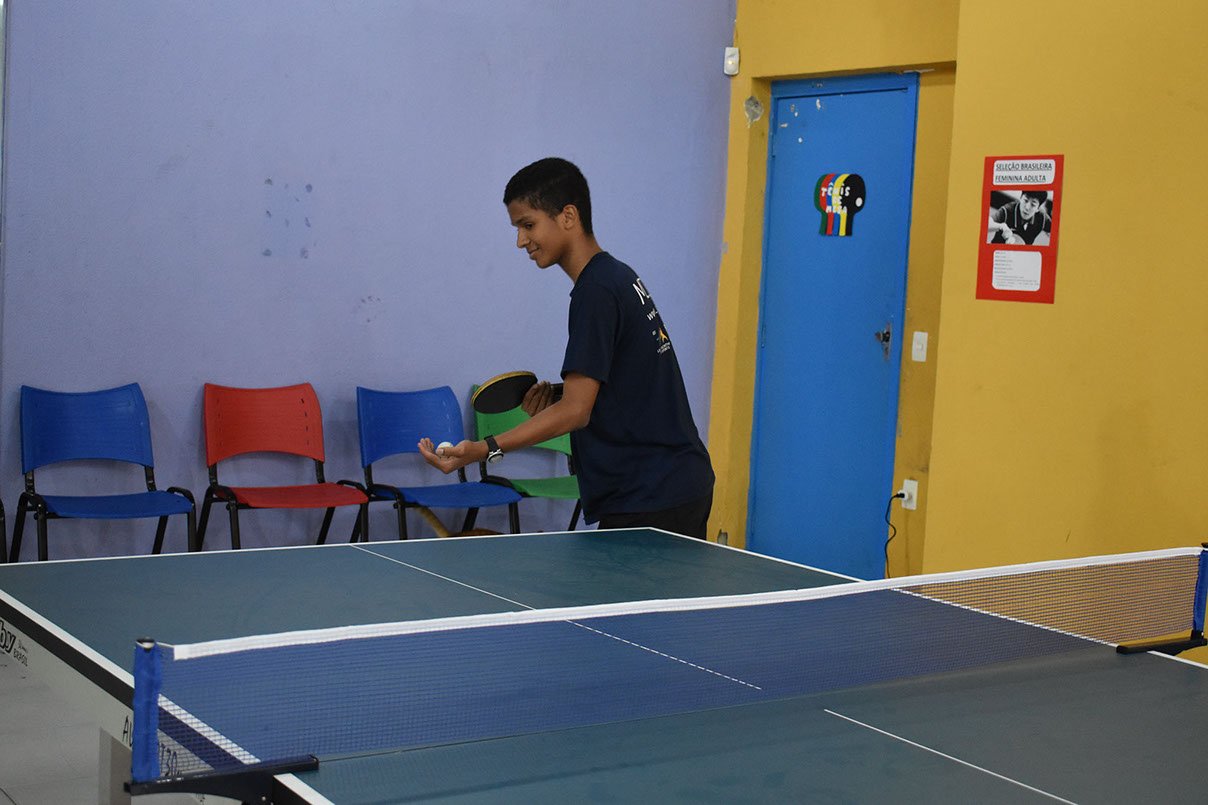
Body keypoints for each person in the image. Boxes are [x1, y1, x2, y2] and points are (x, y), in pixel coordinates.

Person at [418, 157, 715, 538]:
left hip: (653, 494)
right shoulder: (617, 276)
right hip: (671, 485)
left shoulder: (595, 292)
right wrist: (561, 394)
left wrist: (483, 449)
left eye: (528, 225)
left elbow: (576, 412)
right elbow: (631, 378)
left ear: (568, 216)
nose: (520, 241)